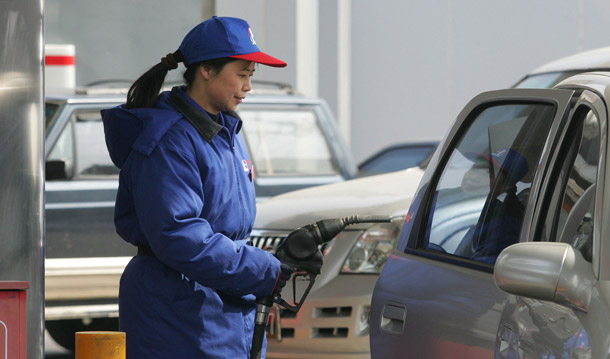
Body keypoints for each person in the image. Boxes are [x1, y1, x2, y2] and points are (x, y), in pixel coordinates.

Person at [102, 16, 293, 358]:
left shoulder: (225, 132)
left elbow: (226, 231)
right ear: (206, 70)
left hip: (220, 309)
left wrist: (270, 266)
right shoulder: (169, 140)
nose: (248, 86)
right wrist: (267, 270)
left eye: (251, 76)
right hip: (179, 314)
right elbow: (179, 236)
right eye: (243, 74)